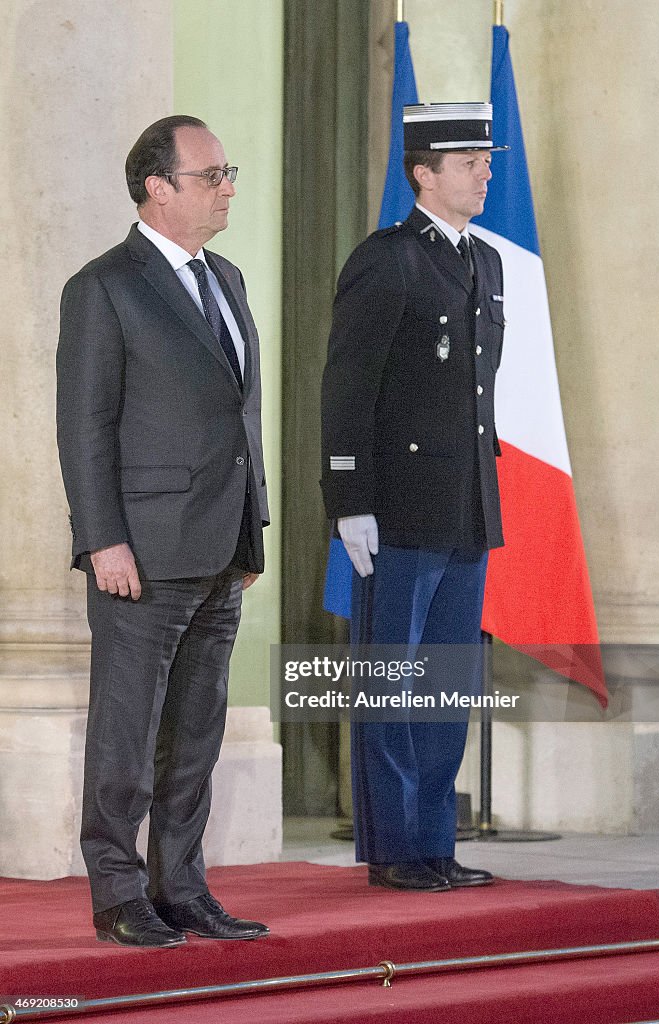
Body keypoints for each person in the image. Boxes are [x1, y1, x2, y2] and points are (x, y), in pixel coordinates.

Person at [57, 115, 270, 946]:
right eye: (211, 174)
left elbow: (239, 413)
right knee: (126, 731)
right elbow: (85, 425)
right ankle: (117, 896)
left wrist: (251, 527)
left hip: (222, 548)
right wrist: (101, 538)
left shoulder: (230, 278)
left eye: (228, 172)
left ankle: (182, 889)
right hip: (140, 551)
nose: (227, 188)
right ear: (157, 186)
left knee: (194, 735)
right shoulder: (103, 286)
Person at [321, 103, 508, 891]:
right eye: (468, 161)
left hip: (464, 508)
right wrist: (348, 497)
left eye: (486, 159)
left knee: (447, 682)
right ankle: (396, 848)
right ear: (423, 173)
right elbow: (347, 386)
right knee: (390, 680)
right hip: (395, 510)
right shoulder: (386, 259)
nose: (484, 172)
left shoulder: (485, 262)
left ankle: (435, 841)